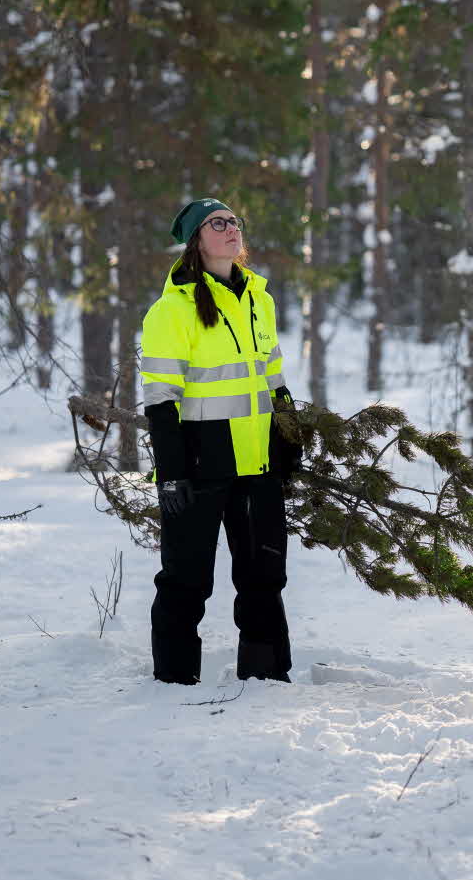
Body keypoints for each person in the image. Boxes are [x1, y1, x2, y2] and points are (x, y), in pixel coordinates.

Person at [139, 197, 301, 684]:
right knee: (186, 581)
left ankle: (267, 676)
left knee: (263, 578)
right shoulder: (172, 311)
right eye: (218, 223)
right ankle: (173, 680)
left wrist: (288, 437)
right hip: (200, 461)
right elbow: (161, 400)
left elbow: (273, 380)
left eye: (235, 221)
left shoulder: (260, 299)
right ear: (196, 241)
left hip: (257, 461)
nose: (231, 228)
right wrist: (170, 473)